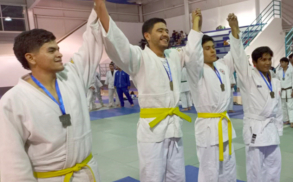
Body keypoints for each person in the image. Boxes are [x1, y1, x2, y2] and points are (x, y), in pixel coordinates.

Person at [94, 0, 202, 181]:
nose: (166, 34)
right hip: (152, 130)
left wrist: (196, 26)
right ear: (147, 36)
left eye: (167, 30)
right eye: (160, 30)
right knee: (153, 175)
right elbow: (118, 44)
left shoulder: (174, 55)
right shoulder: (139, 57)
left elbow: (192, 53)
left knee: (177, 175)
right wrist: (102, 10)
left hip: (174, 128)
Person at [0, 9, 102, 181]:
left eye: (58, 49)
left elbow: (91, 45)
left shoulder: (72, 76)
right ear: (31, 58)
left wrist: (98, 8)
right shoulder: (13, 101)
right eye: (51, 50)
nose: (60, 54)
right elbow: (11, 161)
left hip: (86, 173)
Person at [185, 13, 242, 182]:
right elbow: (192, 55)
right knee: (209, 170)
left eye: (213, 47)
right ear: (199, 51)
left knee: (229, 168)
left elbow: (237, 54)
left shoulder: (222, 65)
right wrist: (196, 24)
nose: (212, 50)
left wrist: (234, 31)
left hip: (224, 124)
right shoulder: (196, 70)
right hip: (208, 127)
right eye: (207, 48)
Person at [233, 44, 283, 181]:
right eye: (263, 59)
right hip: (255, 128)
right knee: (255, 168)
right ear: (254, 62)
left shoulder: (276, 81)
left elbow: (278, 107)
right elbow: (239, 60)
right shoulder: (248, 78)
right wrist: (236, 36)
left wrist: (279, 128)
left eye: (269, 59)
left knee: (274, 165)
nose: (267, 63)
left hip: (271, 128)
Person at [276, 57, 293, 128]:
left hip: (289, 90)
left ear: (287, 63)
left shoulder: (292, 70)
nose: (281, 64)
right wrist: (277, 91)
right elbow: (277, 82)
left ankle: (292, 122)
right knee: (283, 107)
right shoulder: (279, 71)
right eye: (280, 62)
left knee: (291, 107)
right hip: (282, 91)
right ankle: (286, 120)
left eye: (282, 62)